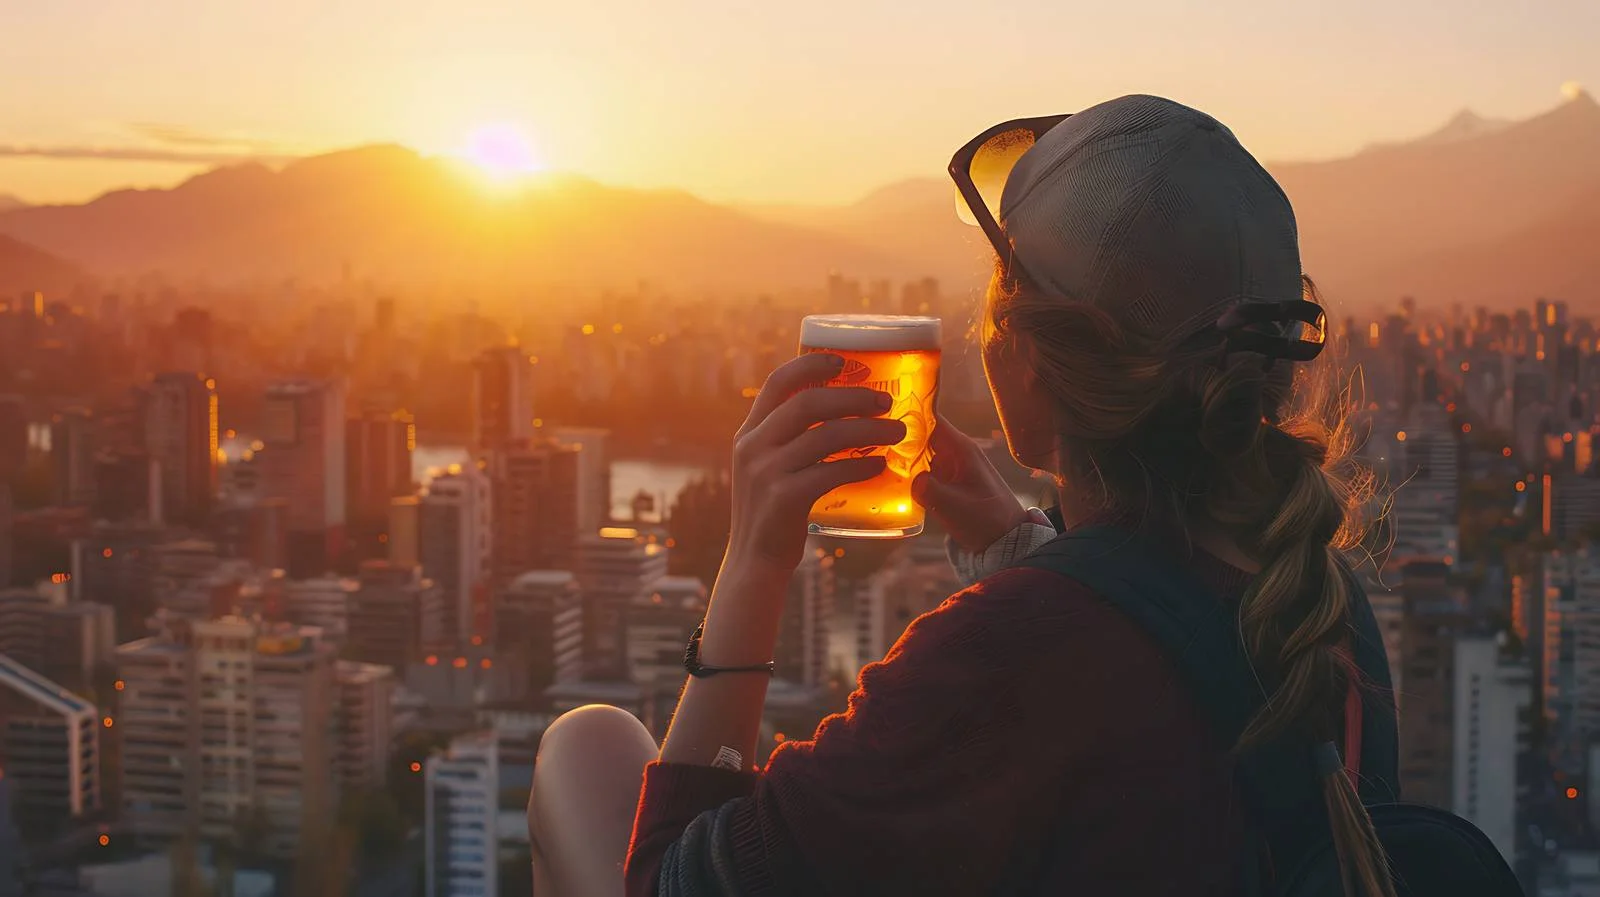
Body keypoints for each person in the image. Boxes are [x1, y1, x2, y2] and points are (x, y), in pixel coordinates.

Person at [527, 94, 1401, 897]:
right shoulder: (1315, 601)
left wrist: (752, 561)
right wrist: (1022, 548)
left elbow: (671, 881)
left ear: (1024, 356)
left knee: (585, 748)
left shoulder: (1008, 655)